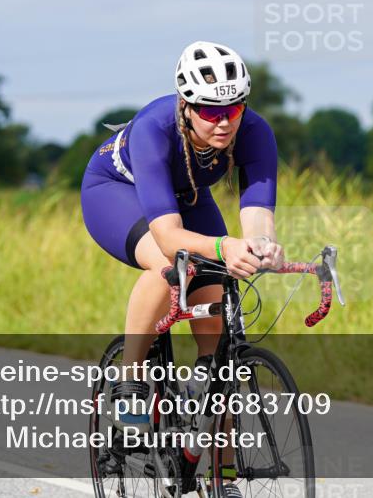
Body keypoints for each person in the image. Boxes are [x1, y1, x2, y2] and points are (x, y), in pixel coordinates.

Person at [81, 42, 283, 455]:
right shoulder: (156, 127)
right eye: (210, 111)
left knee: (220, 350)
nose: (225, 122)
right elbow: (169, 236)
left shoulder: (254, 131)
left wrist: (263, 246)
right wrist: (226, 246)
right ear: (186, 105)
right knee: (172, 266)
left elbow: (258, 213)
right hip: (118, 190)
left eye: (234, 108)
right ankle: (131, 380)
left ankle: (221, 474)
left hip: (187, 193)